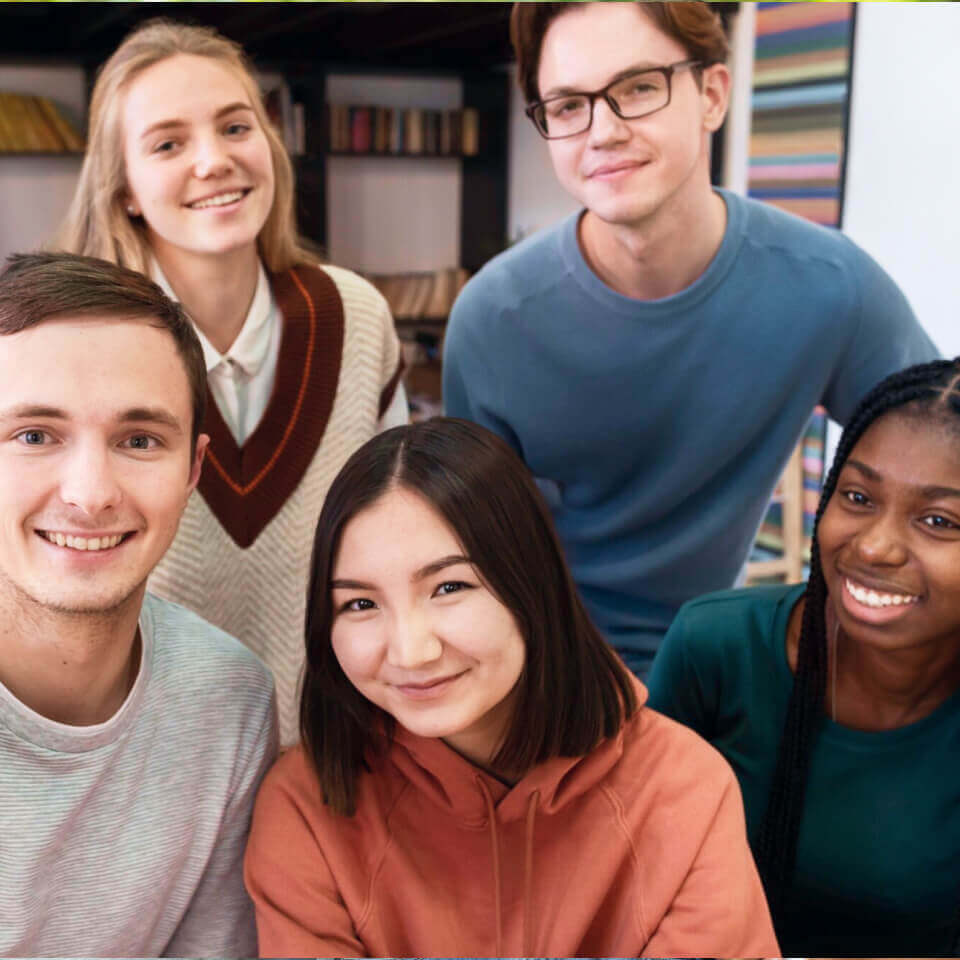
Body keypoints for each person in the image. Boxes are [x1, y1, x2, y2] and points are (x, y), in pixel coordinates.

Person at [443, 1, 939, 677]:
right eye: (566, 106)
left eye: (638, 88)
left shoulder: (830, 285)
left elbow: (942, 449)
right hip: (542, 665)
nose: (603, 131)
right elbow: (472, 559)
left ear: (712, 94)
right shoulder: (492, 319)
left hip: (726, 657)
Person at [243, 417, 779, 958]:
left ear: (532, 584)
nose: (410, 652)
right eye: (361, 604)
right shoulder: (306, 805)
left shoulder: (683, 789)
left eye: (449, 587)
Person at [58, 19, 406, 743]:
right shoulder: (71, 347)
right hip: (144, 770)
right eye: (169, 143)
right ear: (125, 189)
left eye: (235, 126)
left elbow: (401, 542)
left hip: (338, 752)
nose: (214, 161)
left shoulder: (357, 317)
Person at [0, 252, 277, 957]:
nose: (90, 494)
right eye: (35, 435)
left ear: (193, 470)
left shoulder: (231, 700)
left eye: (139, 439)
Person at [647, 357, 960, 956]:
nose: (874, 545)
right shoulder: (715, 649)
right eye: (859, 496)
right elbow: (634, 879)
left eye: (938, 520)